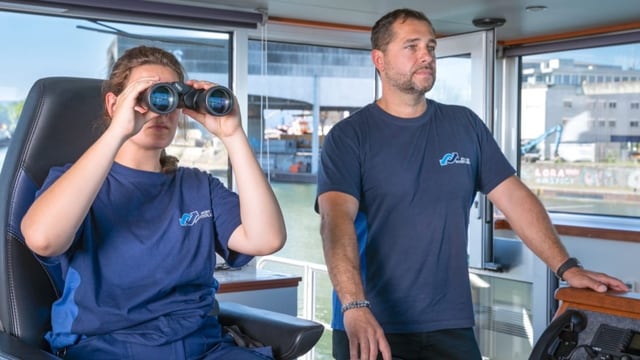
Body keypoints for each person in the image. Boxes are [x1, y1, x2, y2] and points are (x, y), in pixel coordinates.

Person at [315, 8, 629, 360]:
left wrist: (567, 267)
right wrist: (353, 305)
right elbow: (335, 222)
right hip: (371, 323)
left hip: (451, 322)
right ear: (379, 59)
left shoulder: (464, 125)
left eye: (431, 47)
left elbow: (515, 199)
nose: (427, 56)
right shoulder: (350, 136)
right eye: (412, 46)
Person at [20, 45, 286, 359]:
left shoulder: (198, 186)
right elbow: (43, 240)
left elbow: (266, 239)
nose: (160, 111)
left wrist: (233, 134)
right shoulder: (76, 183)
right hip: (108, 348)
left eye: (171, 98)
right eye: (148, 97)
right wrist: (119, 129)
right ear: (113, 104)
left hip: (203, 347)